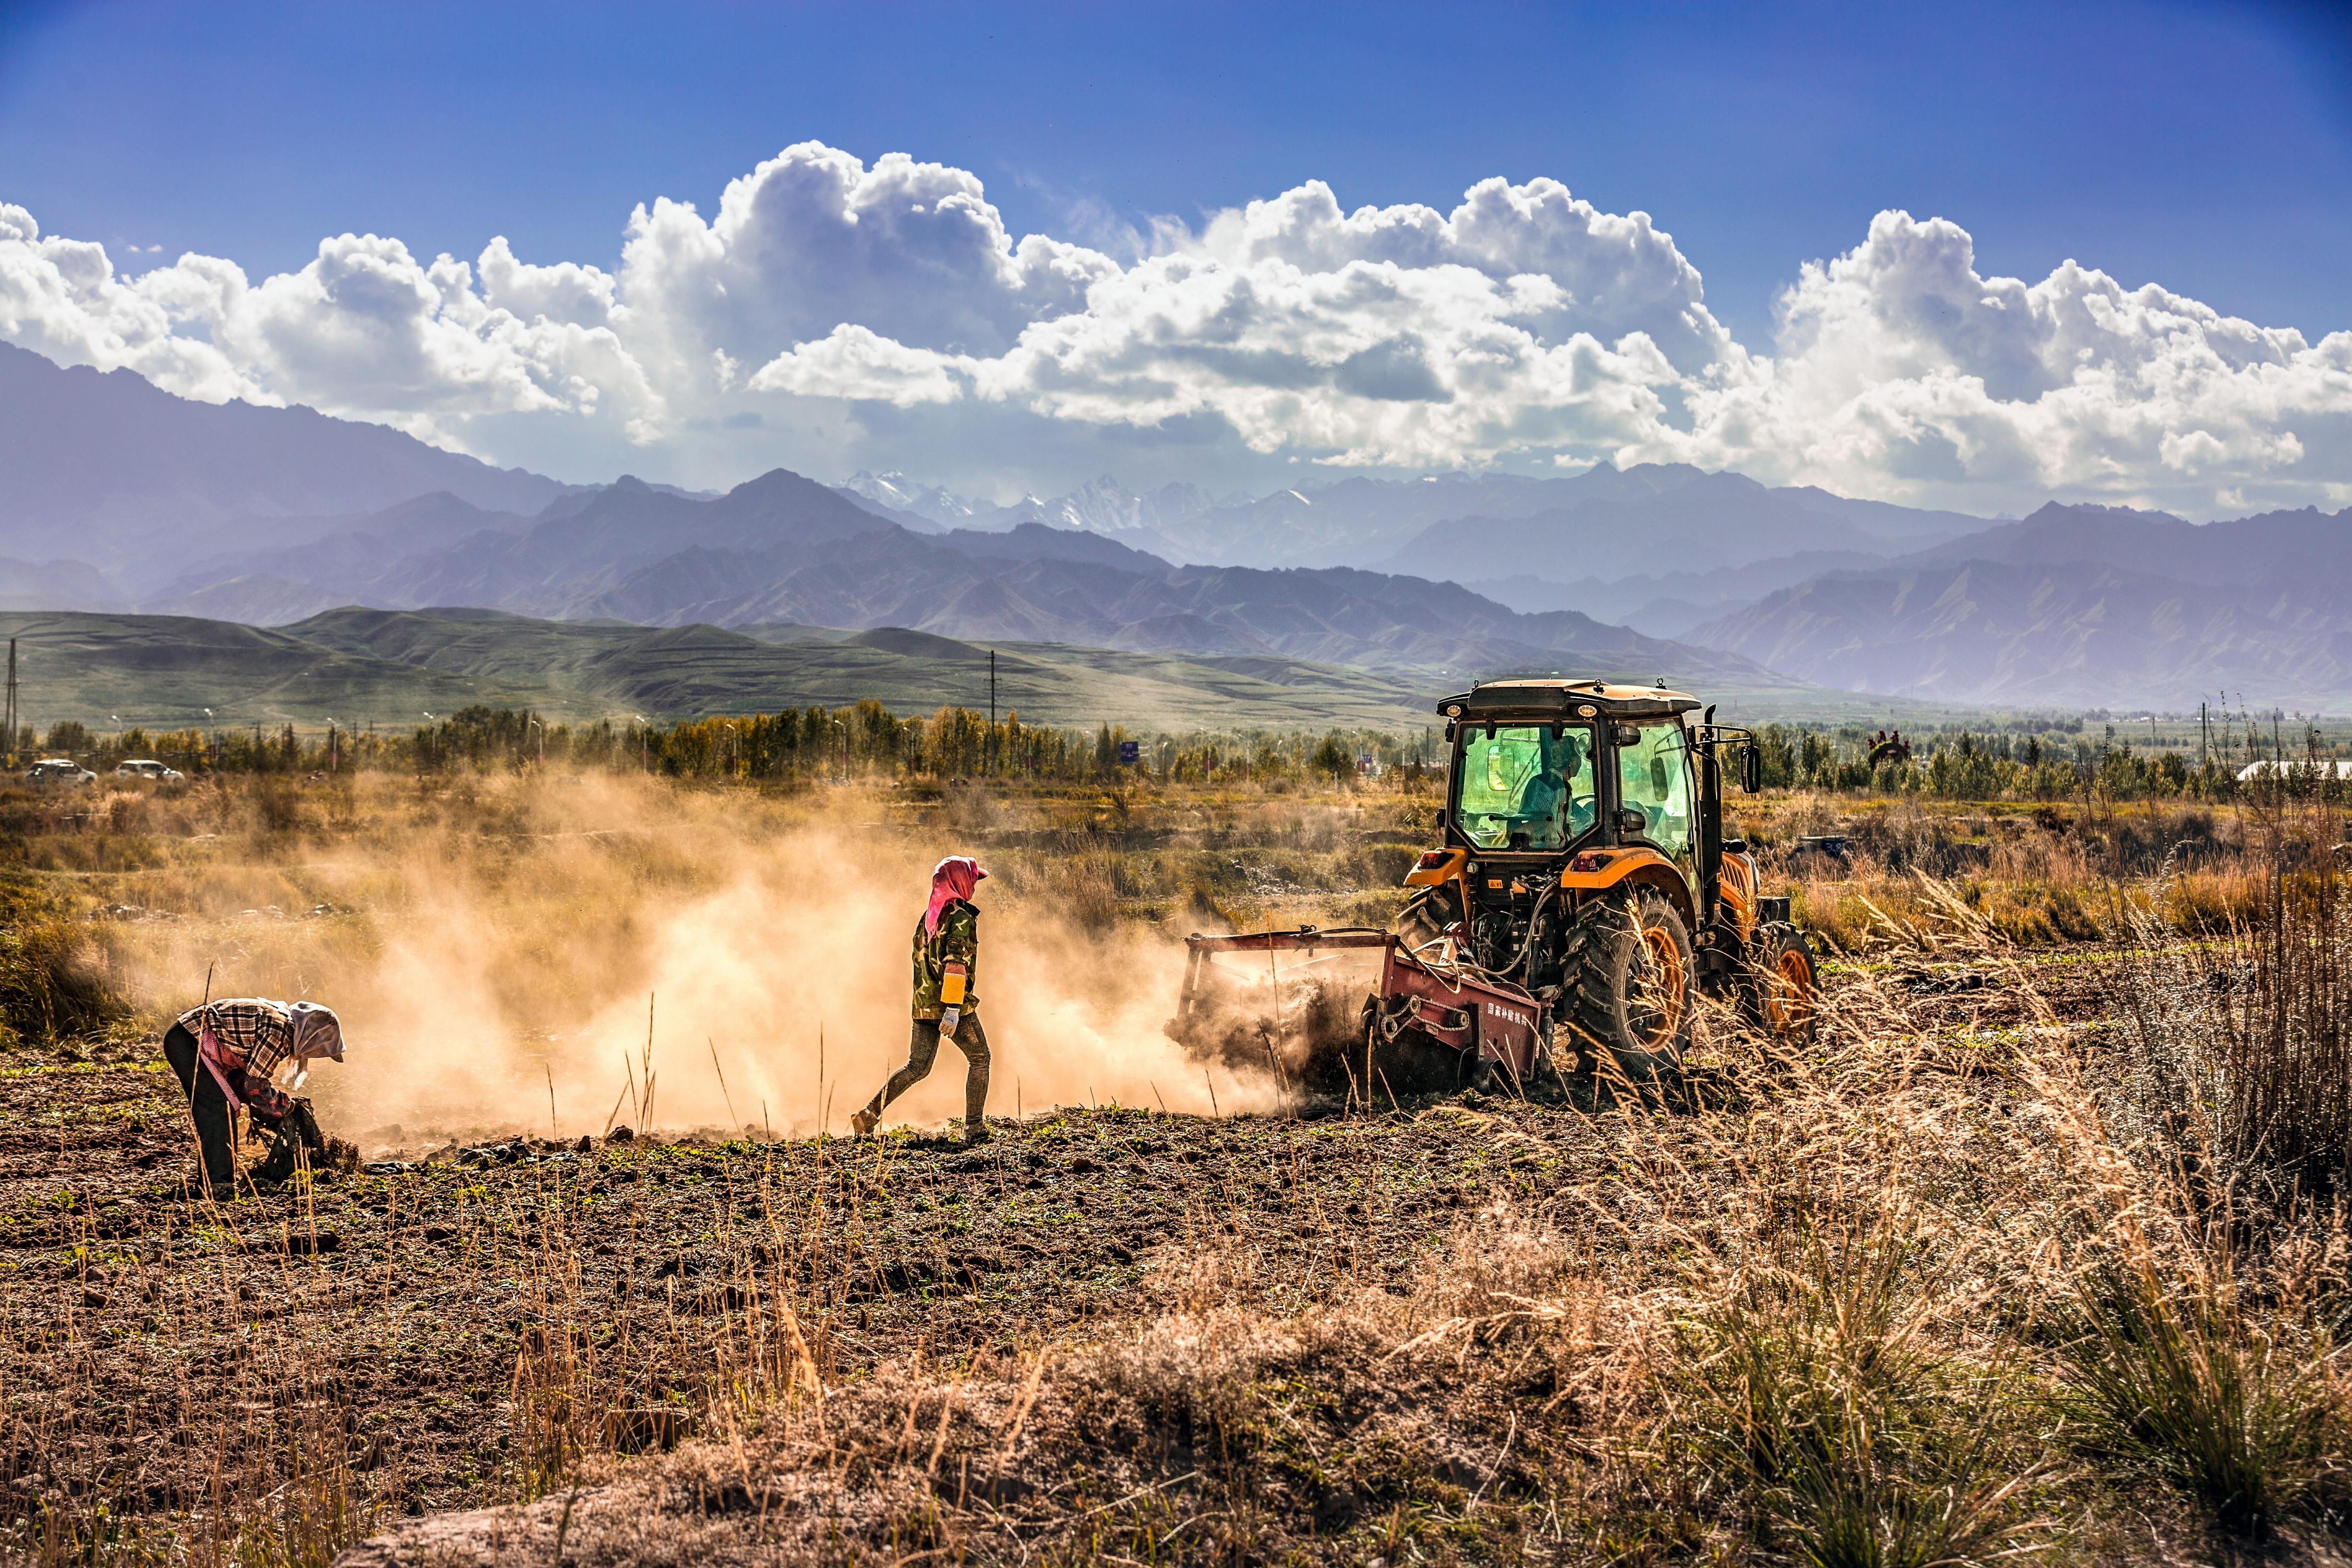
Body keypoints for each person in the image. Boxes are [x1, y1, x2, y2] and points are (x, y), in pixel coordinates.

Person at [851, 856, 993, 1145]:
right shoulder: (960, 917)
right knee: (981, 1059)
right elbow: (955, 965)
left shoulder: (929, 916)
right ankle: (974, 1128)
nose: (974, 887)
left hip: (923, 1004)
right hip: (950, 1005)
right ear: (960, 882)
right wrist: (953, 1009)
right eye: (972, 881)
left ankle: (868, 1113)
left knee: (917, 1066)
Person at [161, 997, 345, 1195]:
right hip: (189, 1041)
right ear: (311, 1036)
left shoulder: (281, 1024)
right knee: (218, 1109)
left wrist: (274, 1107)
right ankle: (216, 1184)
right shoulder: (279, 1031)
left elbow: (249, 1082)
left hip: (198, 1042)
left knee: (225, 1108)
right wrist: (284, 1108)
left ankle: (220, 1178)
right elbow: (254, 1086)